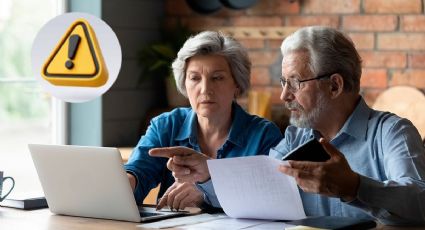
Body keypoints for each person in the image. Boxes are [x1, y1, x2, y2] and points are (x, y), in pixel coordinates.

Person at [271, 26, 425, 225]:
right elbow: (259, 186)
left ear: (334, 86)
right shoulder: (294, 138)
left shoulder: (393, 132)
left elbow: (421, 203)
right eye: (283, 82)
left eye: (295, 82)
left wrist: (355, 187)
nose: (284, 95)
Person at [125, 31, 283, 211]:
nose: (205, 89)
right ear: (184, 84)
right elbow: (138, 171)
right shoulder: (166, 126)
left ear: (237, 84)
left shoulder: (264, 135)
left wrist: (207, 193)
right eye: (194, 78)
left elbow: (272, 198)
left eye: (217, 78)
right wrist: (126, 183)